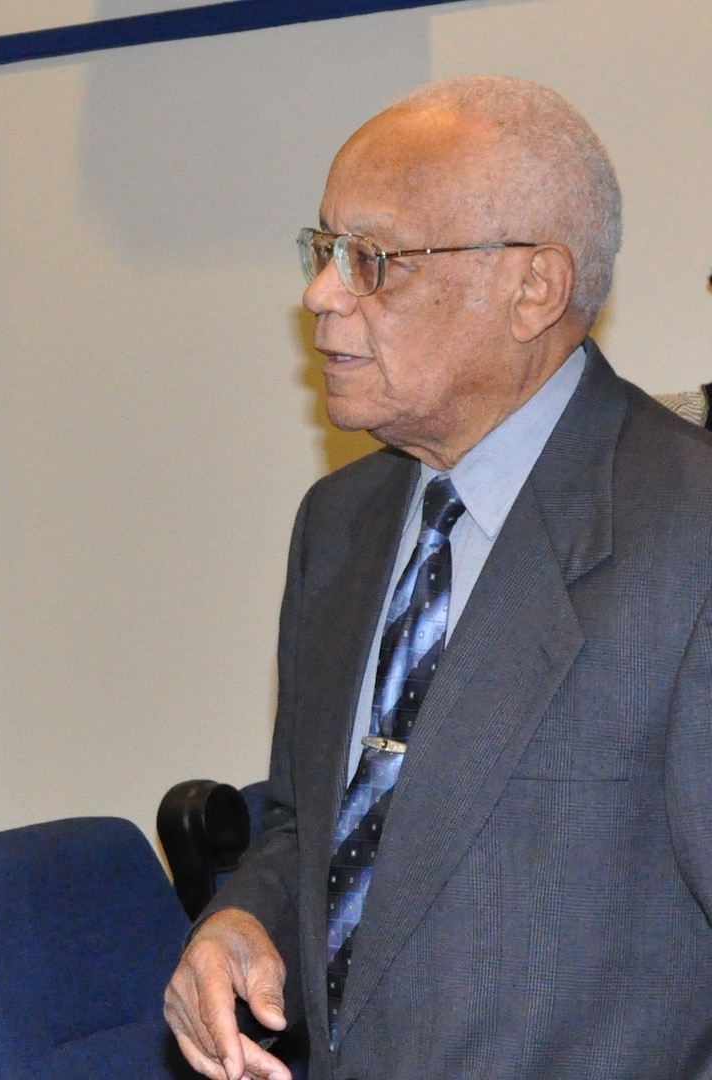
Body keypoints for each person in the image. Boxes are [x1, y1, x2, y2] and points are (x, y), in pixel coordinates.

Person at [164, 75, 712, 1080]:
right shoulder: (340, 523)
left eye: (370, 260)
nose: (319, 294)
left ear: (533, 288)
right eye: (321, 251)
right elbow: (306, 820)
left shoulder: (688, 538)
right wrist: (242, 917)